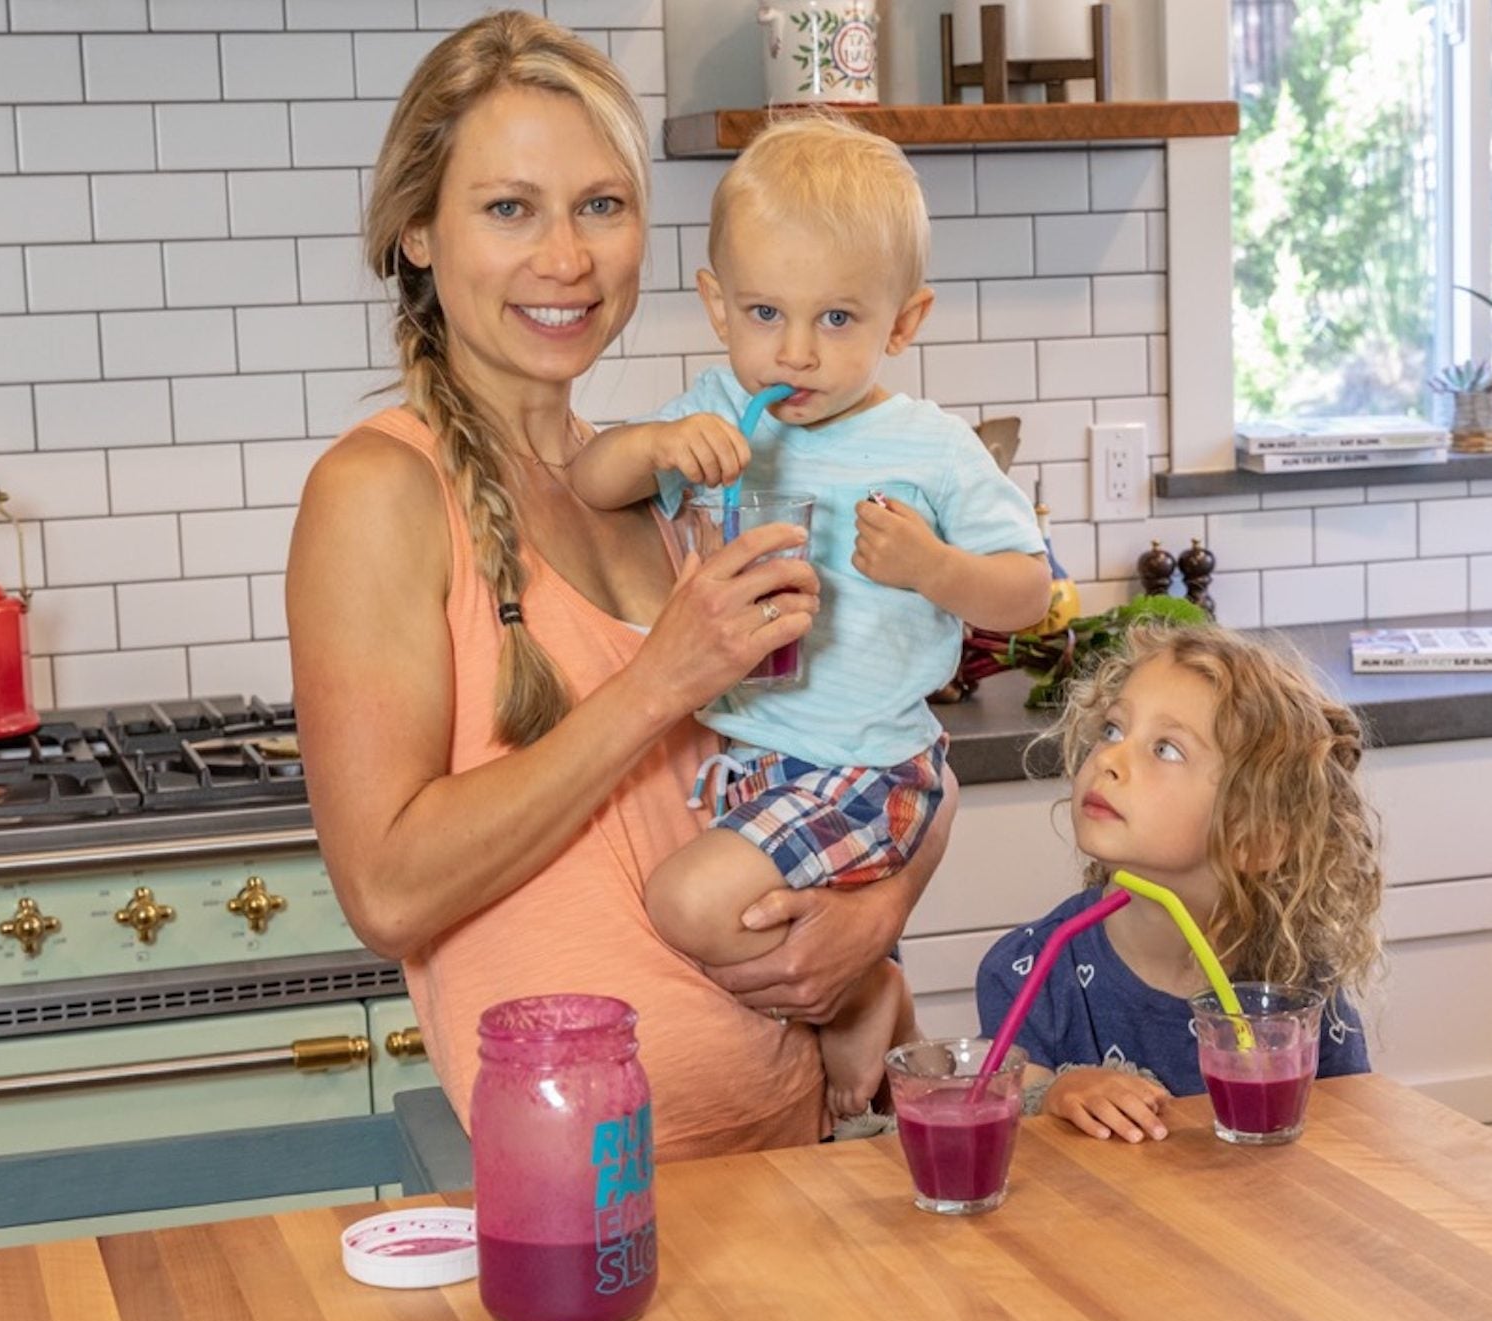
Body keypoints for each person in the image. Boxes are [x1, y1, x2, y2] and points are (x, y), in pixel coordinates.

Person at [287, 13, 951, 1160]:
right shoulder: (378, 491)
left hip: (802, 1142)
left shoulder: (665, 483)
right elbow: (388, 891)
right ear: (416, 233)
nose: (567, 258)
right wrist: (660, 680)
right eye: (510, 209)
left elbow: (871, 751)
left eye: (602, 205)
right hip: (594, 1182)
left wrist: (874, 930)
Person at [568, 117, 1051, 1116]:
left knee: (686, 902)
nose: (795, 351)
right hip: (747, 756)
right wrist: (658, 443)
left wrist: (935, 566)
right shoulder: (713, 410)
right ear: (715, 305)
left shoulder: (933, 449)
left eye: (837, 319)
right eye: (764, 313)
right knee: (701, 913)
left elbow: (1029, 592)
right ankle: (862, 998)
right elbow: (588, 479)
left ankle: (858, 994)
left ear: (902, 323)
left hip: (866, 765)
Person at [975, 624, 1379, 1143]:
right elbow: (1004, 1107)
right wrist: (1055, 1092)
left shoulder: (1297, 996)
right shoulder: (1030, 972)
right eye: (1113, 730)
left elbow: (1352, 1137)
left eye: (1165, 749)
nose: (1109, 760)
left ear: (1255, 838)